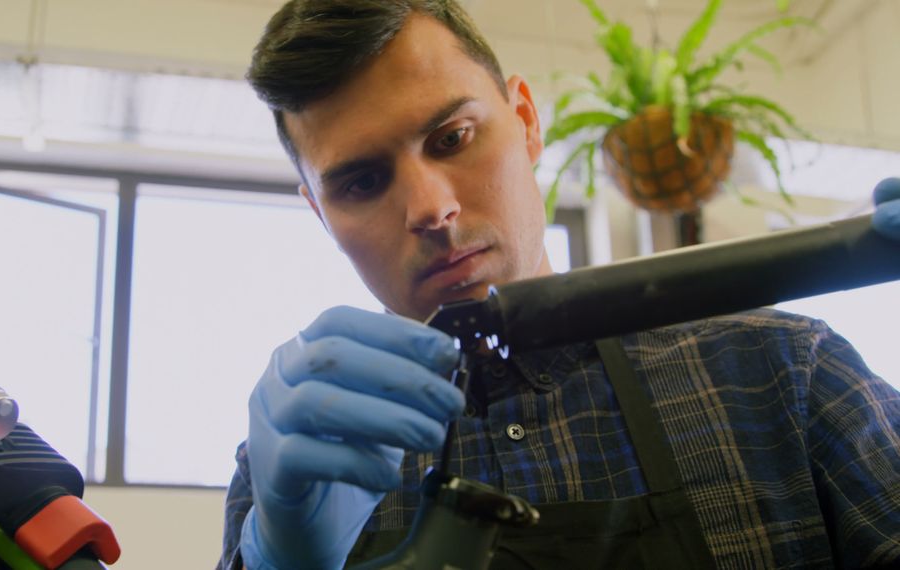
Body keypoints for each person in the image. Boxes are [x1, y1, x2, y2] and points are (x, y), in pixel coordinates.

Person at [218, 1, 900, 568]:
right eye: (362, 182)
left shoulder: (783, 373)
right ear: (319, 211)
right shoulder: (298, 474)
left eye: (452, 137)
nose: (430, 209)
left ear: (526, 121)